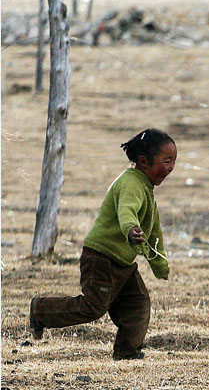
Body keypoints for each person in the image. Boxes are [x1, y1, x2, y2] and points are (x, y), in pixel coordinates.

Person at [28, 128, 176, 360]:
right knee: (92, 307)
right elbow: (126, 211)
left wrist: (160, 265)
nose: (170, 167)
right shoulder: (130, 184)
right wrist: (130, 230)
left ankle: (127, 353)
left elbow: (154, 231)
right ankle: (40, 310)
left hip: (123, 263)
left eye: (174, 161)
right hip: (102, 257)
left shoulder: (145, 188)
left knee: (137, 305)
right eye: (166, 161)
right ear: (143, 161)